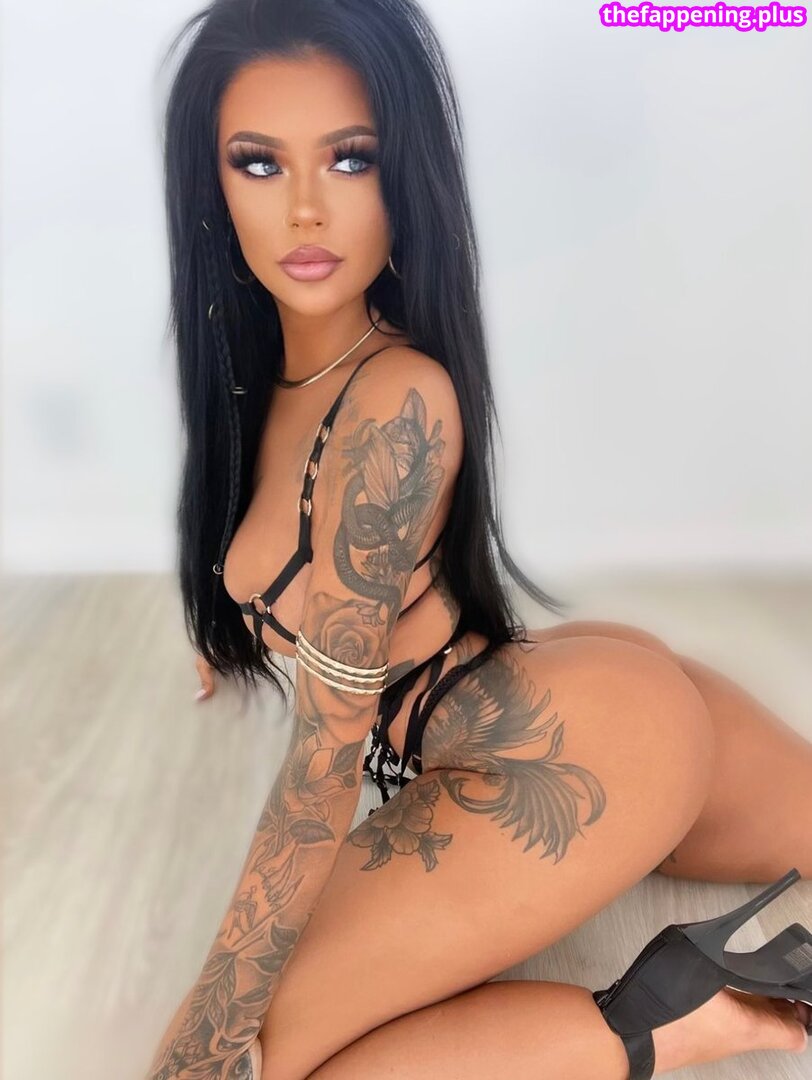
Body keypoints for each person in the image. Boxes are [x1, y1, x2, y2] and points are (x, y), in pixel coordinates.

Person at [147, 2, 812, 1078]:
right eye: (258, 163)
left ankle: (683, 1017)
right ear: (209, 185)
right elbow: (273, 571)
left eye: (351, 158)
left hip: (568, 741)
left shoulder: (394, 401)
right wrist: (230, 636)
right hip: (560, 690)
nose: (306, 208)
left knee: (247, 1058)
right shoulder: (253, 380)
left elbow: (324, 756)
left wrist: (211, 1021)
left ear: (403, 171)